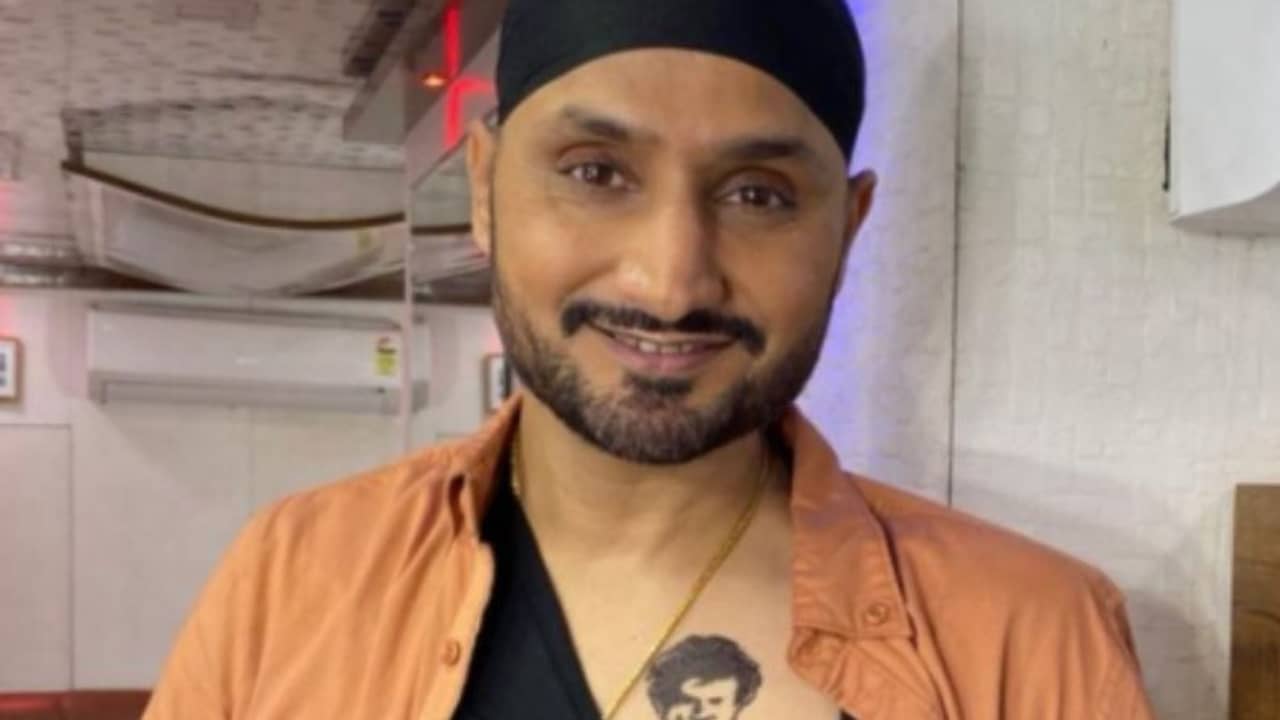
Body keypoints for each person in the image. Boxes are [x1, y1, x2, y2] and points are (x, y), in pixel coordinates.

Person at [144, 1, 1158, 718]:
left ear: (848, 228)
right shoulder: (295, 579)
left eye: (757, 193)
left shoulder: (1030, 637)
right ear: (486, 189)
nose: (673, 282)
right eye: (596, 173)